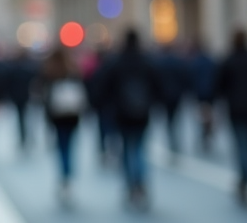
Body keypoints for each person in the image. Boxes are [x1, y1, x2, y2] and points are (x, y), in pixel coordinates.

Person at [98, 29, 162, 209]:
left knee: (127, 148)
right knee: (140, 147)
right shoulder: (146, 61)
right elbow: (157, 84)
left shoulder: (117, 61)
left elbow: (105, 85)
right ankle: (140, 182)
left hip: (122, 112)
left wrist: (105, 104)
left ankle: (130, 184)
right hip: (142, 111)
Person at [216, 30, 247, 204]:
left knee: (241, 144)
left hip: (236, 109)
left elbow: (220, 85)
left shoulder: (229, 61)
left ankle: (244, 177)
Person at [38, 46, 87, 204]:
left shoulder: (49, 71)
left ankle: (64, 177)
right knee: (70, 146)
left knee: (61, 146)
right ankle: (68, 175)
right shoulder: (72, 69)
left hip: (57, 115)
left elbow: (43, 95)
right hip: (71, 115)